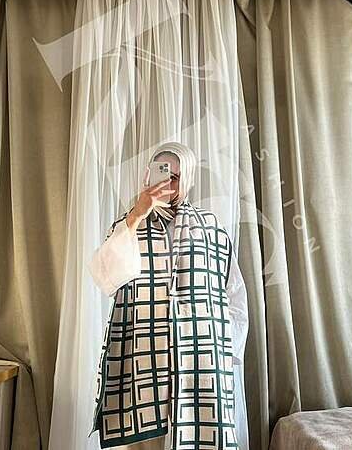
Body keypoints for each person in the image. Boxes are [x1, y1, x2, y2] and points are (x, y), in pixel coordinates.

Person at [88, 141, 249, 450]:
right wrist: (137, 214)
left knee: (200, 434)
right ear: (148, 175)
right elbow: (104, 276)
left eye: (175, 177)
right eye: (161, 174)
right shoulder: (128, 225)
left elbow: (234, 293)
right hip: (145, 352)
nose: (167, 183)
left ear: (187, 178)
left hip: (201, 354)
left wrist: (226, 352)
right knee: (146, 441)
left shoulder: (211, 229)